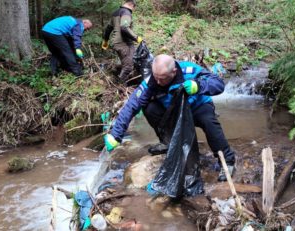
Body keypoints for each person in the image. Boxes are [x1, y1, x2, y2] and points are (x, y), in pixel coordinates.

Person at [103, 54, 236, 182]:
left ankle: (227, 162)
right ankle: (168, 142)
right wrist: (116, 134)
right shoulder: (153, 81)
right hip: (174, 112)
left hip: (197, 107)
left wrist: (198, 85)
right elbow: (132, 105)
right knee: (149, 108)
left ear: (174, 71)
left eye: (162, 78)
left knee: (209, 123)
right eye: (156, 78)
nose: (158, 82)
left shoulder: (189, 70)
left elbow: (218, 84)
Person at [101, 0, 143, 84]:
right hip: (123, 43)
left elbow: (108, 28)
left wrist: (105, 40)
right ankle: (120, 85)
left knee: (129, 62)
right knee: (128, 67)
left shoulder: (115, 13)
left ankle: (117, 73)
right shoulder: (126, 12)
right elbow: (124, 27)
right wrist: (137, 38)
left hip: (118, 43)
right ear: (132, 6)